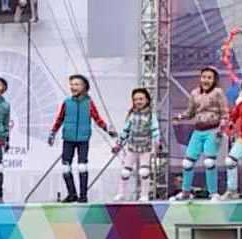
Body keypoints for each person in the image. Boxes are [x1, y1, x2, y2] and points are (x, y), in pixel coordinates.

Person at [47, 73, 115, 203]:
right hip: (68, 138)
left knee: (82, 166)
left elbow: (97, 118)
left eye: (77, 84)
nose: (73, 87)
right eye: (71, 84)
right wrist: (53, 132)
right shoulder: (67, 102)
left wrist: (107, 129)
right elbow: (59, 119)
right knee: (66, 167)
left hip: (83, 139)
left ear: (85, 87)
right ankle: (72, 193)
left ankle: (83, 195)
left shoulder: (89, 103)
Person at [172, 66, 228, 201]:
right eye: (204, 77)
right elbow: (190, 112)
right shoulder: (194, 93)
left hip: (213, 130)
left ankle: (213, 192)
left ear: (214, 80)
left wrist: (222, 126)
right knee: (187, 163)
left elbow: (225, 112)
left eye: (209, 77)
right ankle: (185, 192)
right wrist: (180, 117)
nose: (206, 80)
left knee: (209, 162)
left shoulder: (218, 92)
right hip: (198, 131)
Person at [115, 87, 162, 202]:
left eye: (141, 99)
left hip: (145, 147)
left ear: (147, 100)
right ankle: (121, 193)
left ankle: (144, 194)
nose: (138, 102)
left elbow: (155, 129)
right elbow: (125, 130)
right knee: (125, 171)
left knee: (144, 171)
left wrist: (157, 141)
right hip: (132, 147)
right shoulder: (132, 115)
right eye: (135, 99)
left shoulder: (151, 115)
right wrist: (119, 144)